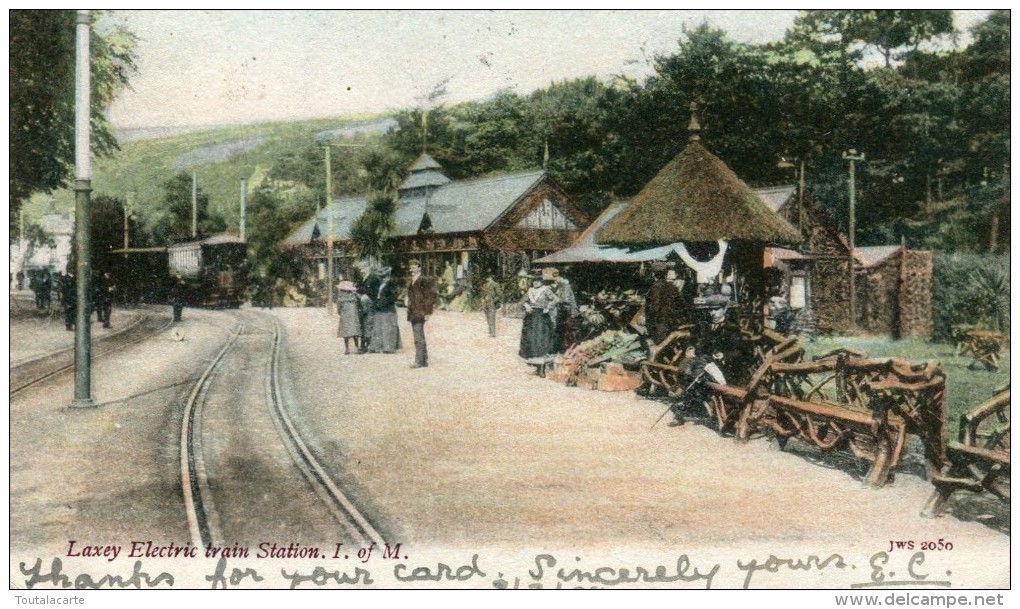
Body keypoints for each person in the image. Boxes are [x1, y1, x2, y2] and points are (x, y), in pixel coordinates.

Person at [518, 272, 560, 376]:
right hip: (531, 318)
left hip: (542, 318)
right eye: (534, 281)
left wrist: (548, 307)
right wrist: (526, 305)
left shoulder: (546, 290)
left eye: (538, 281)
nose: (536, 283)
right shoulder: (530, 291)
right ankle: (536, 367)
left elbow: (556, 299)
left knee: (541, 340)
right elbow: (522, 301)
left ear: (542, 282)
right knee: (531, 341)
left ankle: (542, 368)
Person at [406, 260, 438, 368]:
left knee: (418, 337)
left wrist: (428, 312)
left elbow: (430, 297)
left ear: (419, 268)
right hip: (413, 311)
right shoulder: (413, 281)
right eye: (410, 268)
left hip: (420, 312)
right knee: (420, 336)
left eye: (414, 268)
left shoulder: (424, 280)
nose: (411, 270)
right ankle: (423, 360)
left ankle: (419, 361)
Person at [645, 267, 686, 345]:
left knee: (660, 341)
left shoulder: (654, 287)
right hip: (671, 320)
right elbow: (681, 304)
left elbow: (653, 308)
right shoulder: (673, 287)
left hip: (660, 321)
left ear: (653, 275)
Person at [546, 267, 580, 353]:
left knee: (570, 332)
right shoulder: (559, 285)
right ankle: (560, 349)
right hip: (563, 312)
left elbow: (565, 300)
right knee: (560, 331)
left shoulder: (564, 286)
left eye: (552, 281)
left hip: (569, 312)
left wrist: (554, 301)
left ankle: (570, 350)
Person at [369, 266, 401, 353]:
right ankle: (378, 346)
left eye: (383, 276)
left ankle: (389, 348)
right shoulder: (381, 284)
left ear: (388, 275)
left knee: (388, 328)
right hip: (379, 307)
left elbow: (394, 296)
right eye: (381, 276)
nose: (382, 278)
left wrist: (383, 302)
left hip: (388, 308)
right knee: (378, 327)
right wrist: (377, 302)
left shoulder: (392, 283)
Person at [336, 281, 362, 354]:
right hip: (354, 316)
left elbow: (338, 309)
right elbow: (359, 305)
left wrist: (340, 313)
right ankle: (357, 347)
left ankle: (347, 349)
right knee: (355, 332)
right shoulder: (355, 297)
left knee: (346, 333)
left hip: (345, 316)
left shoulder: (340, 298)